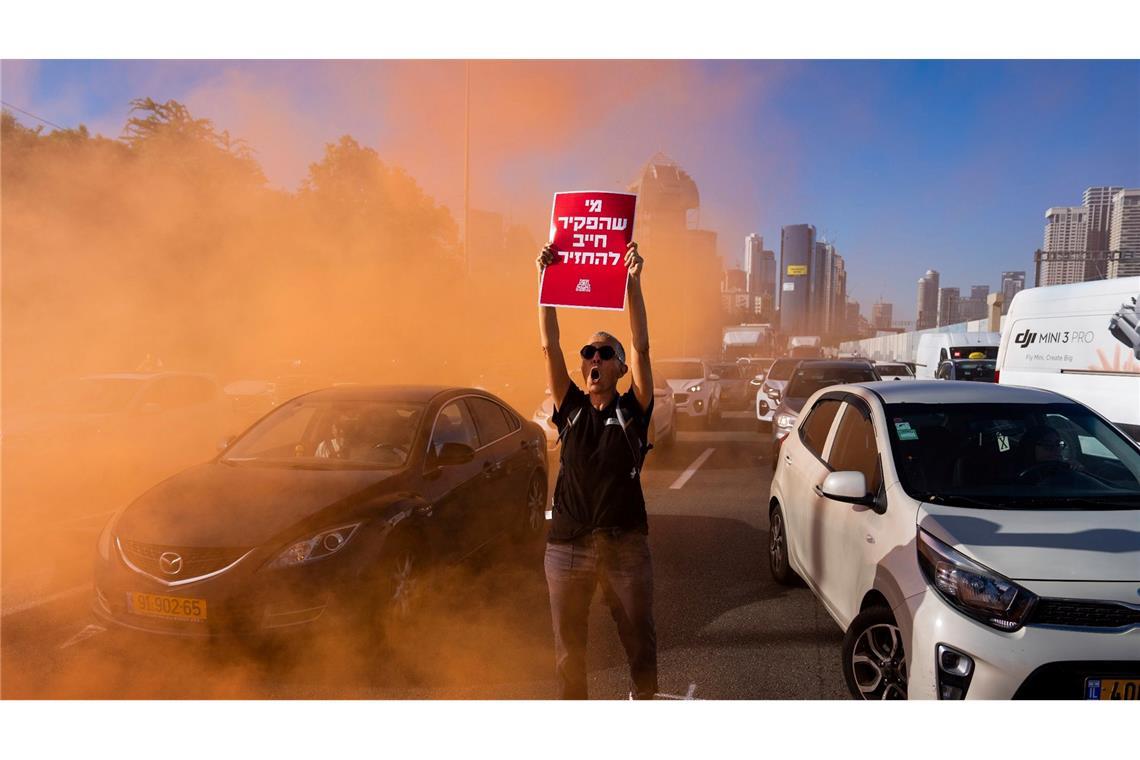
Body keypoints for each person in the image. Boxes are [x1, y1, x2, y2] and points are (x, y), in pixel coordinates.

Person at [536, 239, 658, 700]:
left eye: (605, 354)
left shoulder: (633, 409)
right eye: (589, 352)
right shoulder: (569, 408)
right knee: (569, 653)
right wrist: (545, 282)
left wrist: (633, 284)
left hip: (624, 545)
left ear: (620, 369)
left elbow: (644, 347)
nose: (594, 359)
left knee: (639, 646)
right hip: (567, 548)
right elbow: (550, 344)